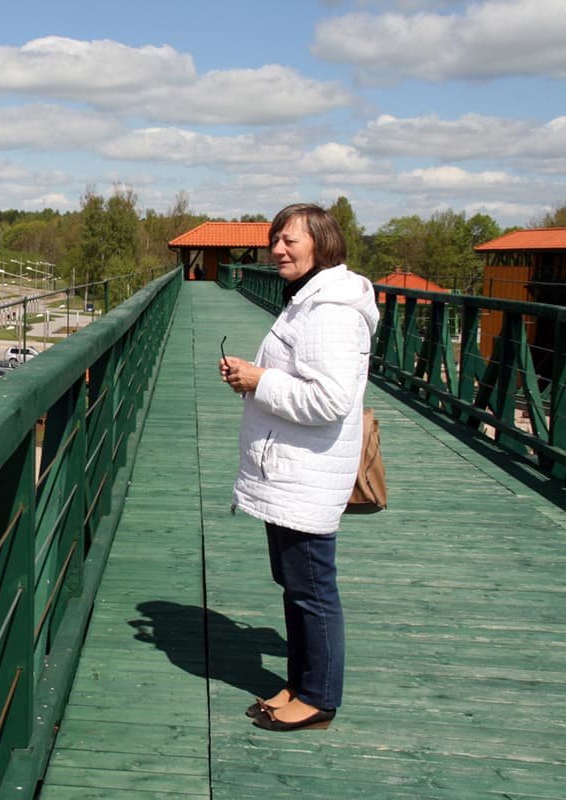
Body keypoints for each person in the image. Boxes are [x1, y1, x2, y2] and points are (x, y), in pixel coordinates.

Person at [219, 203, 379, 732]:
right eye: (275, 240)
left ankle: (319, 699)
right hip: (290, 465)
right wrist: (255, 374)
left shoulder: (330, 310)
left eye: (290, 241)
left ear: (322, 245)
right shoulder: (308, 300)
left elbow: (330, 399)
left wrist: (258, 380)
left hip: (306, 470)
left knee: (312, 587)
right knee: (295, 583)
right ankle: (301, 681)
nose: (277, 249)